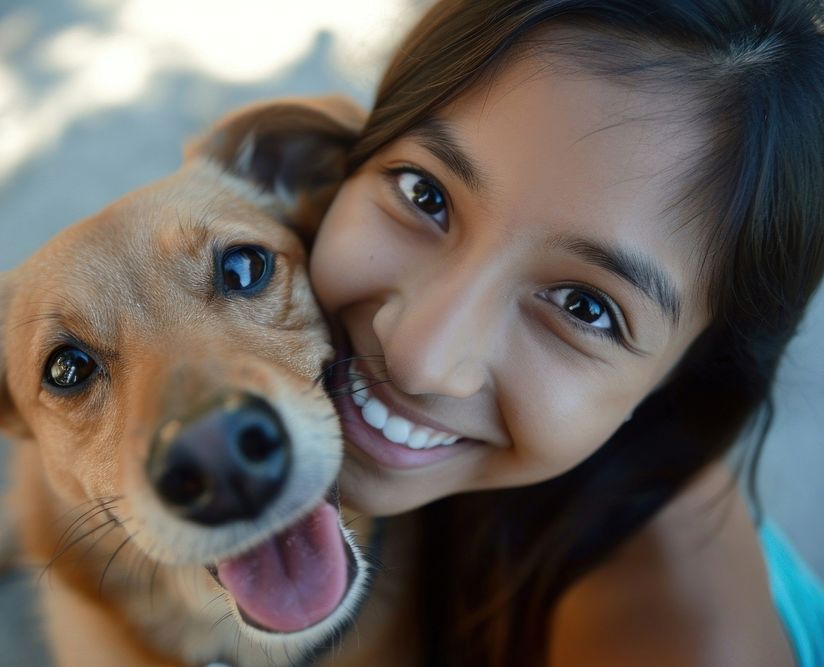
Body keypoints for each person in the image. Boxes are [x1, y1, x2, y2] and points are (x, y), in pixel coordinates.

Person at [308, 0, 824, 664]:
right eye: (425, 194)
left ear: (688, 369)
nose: (420, 357)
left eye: (584, 307)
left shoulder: (675, 640)